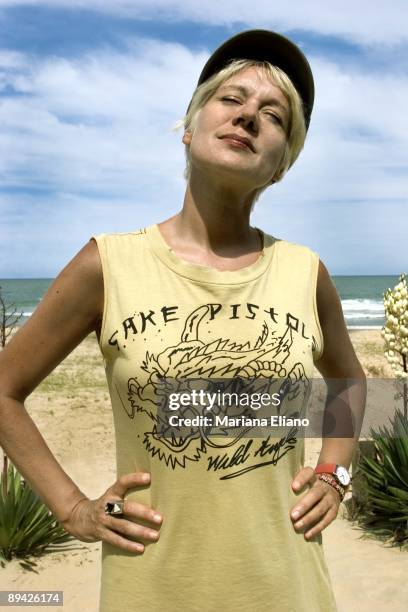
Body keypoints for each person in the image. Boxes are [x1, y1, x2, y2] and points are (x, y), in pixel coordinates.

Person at [0, 29, 367, 611]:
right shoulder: (109, 263)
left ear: (280, 166)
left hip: (288, 587)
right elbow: (4, 389)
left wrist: (334, 476)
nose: (248, 115)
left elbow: (352, 383)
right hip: (152, 589)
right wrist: (72, 507)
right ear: (190, 127)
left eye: (272, 115)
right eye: (231, 99)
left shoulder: (305, 271)